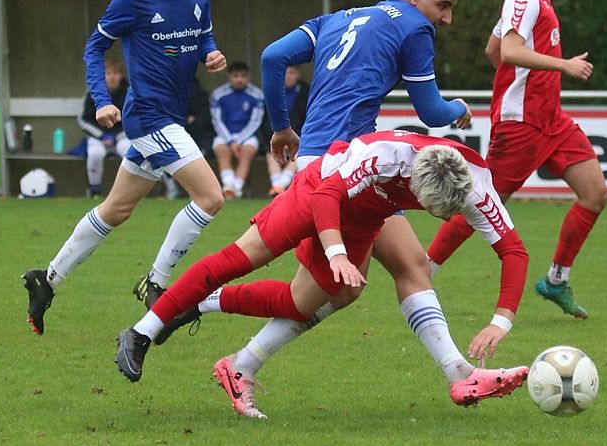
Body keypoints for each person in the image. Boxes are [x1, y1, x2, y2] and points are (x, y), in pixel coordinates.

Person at [115, 131, 531, 418]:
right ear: (413, 183)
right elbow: (330, 193)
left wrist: (501, 320)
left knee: (301, 303)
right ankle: (141, 332)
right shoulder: (384, 155)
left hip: (362, 221)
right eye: (433, 209)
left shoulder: (475, 187)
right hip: (317, 192)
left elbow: (513, 251)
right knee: (244, 256)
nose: (443, 218)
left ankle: (209, 309)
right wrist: (335, 254)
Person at [20, 0, 228, 335]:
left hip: (170, 115)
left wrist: (212, 53)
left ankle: (48, 279)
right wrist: (101, 100)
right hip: (147, 117)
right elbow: (94, 47)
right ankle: (155, 283)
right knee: (211, 197)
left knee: (116, 209)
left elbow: (204, 34)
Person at [427, 0, 607, 320]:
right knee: (481, 203)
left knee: (595, 194)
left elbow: (495, 49)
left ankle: (556, 281)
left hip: (552, 120)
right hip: (521, 123)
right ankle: (423, 272)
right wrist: (560, 66)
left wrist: (530, 78)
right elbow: (508, 51)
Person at [209, 61, 265, 199]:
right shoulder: (218, 94)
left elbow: (255, 121)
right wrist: (230, 141)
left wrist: (239, 140)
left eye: (243, 76)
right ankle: (229, 186)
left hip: (247, 136)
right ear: (229, 76)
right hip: (225, 135)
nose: (239, 79)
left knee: (247, 153)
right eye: (235, 76)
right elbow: (217, 120)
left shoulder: (257, 95)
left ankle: (237, 188)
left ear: (248, 76)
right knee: (222, 151)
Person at [77, 58, 131, 197]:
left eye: (115, 74)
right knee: (95, 154)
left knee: (129, 153)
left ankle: (128, 193)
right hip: (98, 137)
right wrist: (102, 136)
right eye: (108, 74)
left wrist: (115, 136)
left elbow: (132, 118)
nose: (112, 77)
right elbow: (83, 120)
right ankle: (95, 192)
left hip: (122, 136)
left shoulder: (129, 94)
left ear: (121, 76)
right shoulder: (92, 94)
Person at [263, 64, 309, 196]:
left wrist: (296, 136)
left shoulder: (306, 92)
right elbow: (266, 119)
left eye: (291, 73)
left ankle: (281, 185)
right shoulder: (273, 92)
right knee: (269, 149)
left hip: (299, 137)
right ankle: (278, 185)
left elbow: (307, 118)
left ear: (298, 74)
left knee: (301, 150)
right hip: (276, 136)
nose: (287, 77)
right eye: (285, 73)